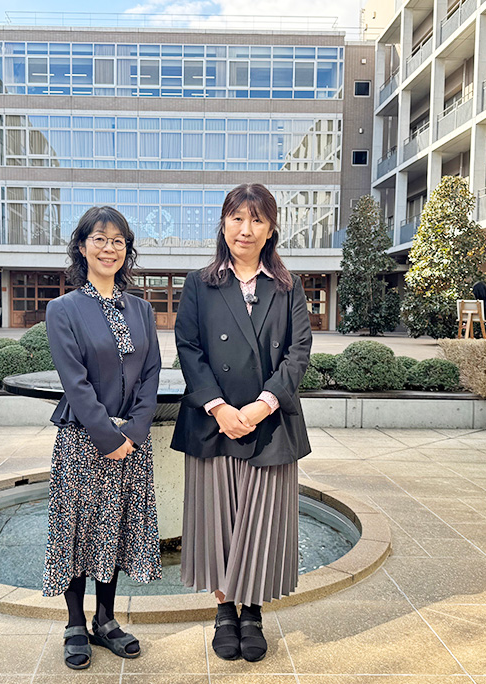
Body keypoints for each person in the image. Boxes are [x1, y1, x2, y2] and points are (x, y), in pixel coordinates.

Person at [172, 183, 312, 664]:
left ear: (271, 228)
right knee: (218, 521)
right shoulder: (200, 283)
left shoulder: (288, 287)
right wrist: (217, 406)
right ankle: (224, 610)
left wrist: (262, 405)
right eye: (236, 218)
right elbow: (188, 348)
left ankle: (251, 612)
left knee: (261, 519)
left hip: (269, 422)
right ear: (223, 223)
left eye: (256, 219)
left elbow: (298, 354)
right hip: (214, 421)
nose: (245, 229)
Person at [43, 206, 162, 670]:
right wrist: (106, 436)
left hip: (131, 442)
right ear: (81, 246)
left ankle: (106, 620)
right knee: (77, 530)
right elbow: (74, 381)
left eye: (118, 241)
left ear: (126, 250)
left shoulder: (143, 309)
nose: (109, 247)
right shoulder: (63, 309)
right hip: (82, 440)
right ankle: (75, 622)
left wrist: (134, 429)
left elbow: (152, 373)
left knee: (113, 528)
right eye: (99, 238)